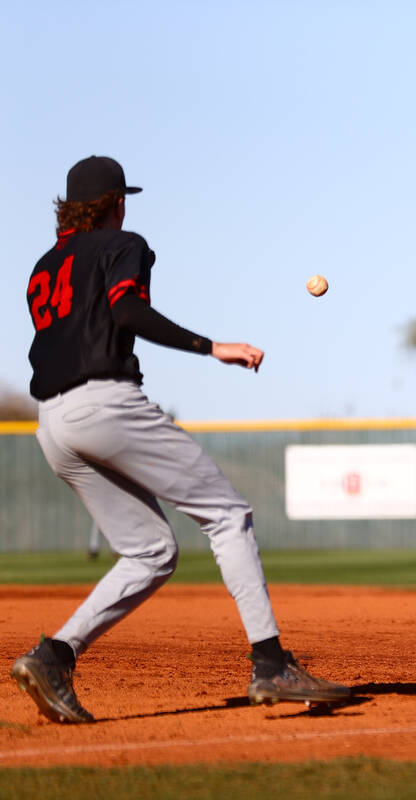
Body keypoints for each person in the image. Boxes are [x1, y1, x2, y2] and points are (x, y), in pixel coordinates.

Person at [11, 155, 349, 724]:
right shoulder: (123, 244)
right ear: (115, 203)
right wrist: (210, 346)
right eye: (124, 199)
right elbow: (126, 310)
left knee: (151, 551)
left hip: (52, 421)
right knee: (227, 514)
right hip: (106, 403)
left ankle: (54, 656)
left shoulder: (46, 265)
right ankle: (270, 664)